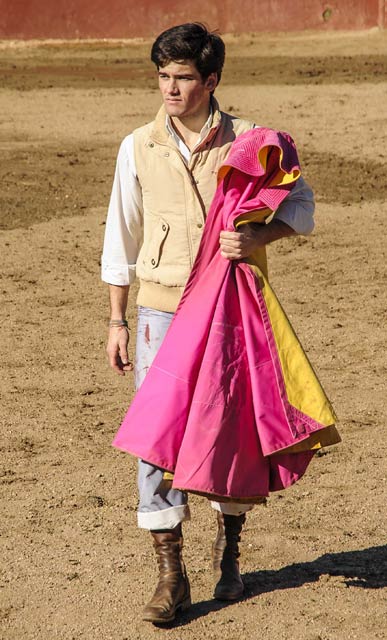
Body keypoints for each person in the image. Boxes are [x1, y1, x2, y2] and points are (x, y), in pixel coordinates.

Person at [102, 23, 315, 624]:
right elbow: (121, 235)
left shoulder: (251, 140)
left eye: (183, 78)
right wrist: (117, 319)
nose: (170, 88)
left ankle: (230, 549)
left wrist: (258, 235)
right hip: (161, 306)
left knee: (227, 427)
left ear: (211, 81)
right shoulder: (138, 144)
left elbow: (303, 208)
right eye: (163, 77)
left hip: (228, 307)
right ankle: (171, 573)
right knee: (157, 436)